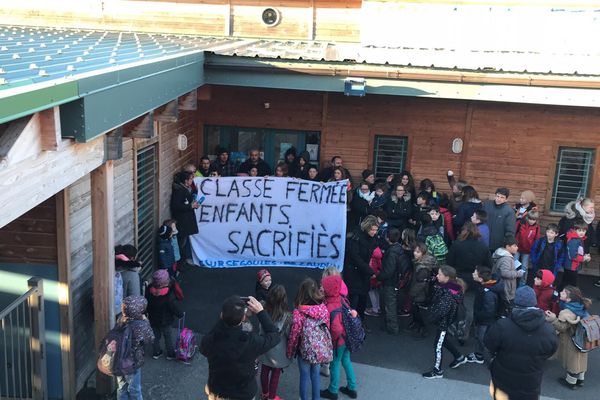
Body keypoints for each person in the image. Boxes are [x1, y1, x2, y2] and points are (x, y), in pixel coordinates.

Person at [484, 286, 558, 400]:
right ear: (534, 303)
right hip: (531, 382)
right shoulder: (548, 330)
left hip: (503, 379)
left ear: (516, 302)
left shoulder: (502, 325)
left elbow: (489, 344)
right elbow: (551, 350)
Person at [201, 295, 280, 400]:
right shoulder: (251, 342)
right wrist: (261, 312)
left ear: (221, 315)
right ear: (243, 318)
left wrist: (227, 315)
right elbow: (274, 336)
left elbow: (204, 348)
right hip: (244, 394)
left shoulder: (211, 340)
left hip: (218, 391)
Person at [286, 278, 332, 400]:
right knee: (315, 374)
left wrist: (290, 351)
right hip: (318, 349)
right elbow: (327, 326)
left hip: (304, 350)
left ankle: (304, 398)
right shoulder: (322, 308)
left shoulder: (298, 311)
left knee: (304, 376)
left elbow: (295, 333)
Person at [422, 265, 468, 379]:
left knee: (437, 345)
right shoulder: (454, 287)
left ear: (447, 277)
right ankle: (459, 357)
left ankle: (437, 371)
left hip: (443, 323)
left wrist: (428, 317)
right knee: (443, 341)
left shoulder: (447, 293)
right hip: (448, 322)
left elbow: (441, 310)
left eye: (439, 274)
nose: (437, 276)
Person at [544, 286, 592, 390]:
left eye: (564, 293)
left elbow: (562, 328)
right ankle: (580, 380)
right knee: (581, 358)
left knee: (572, 361)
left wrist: (553, 319)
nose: (561, 293)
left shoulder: (566, 312)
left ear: (569, 299)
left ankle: (571, 382)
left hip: (572, 340)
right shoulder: (581, 307)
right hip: (582, 339)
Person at [320, 274, 359, 400]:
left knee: (335, 363)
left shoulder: (330, 306)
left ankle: (333, 390)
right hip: (348, 337)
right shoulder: (342, 299)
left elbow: (336, 328)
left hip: (338, 341)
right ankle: (352, 388)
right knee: (346, 360)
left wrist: (331, 340)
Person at [116, 295, 155, 400]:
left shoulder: (121, 319)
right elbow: (150, 338)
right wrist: (146, 321)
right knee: (135, 389)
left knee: (121, 386)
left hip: (119, 360)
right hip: (132, 362)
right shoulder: (140, 325)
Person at [258, 285, 293, 400]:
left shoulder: (263, 312)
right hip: (279, 350)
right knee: (275, 375)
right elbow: (289, 334)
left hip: (265, 346)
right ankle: (272, 397)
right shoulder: (287, 317)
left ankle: (265, 393)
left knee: (264, 370)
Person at [343, 216, 378, 321]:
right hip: (354, 272)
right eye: (372, 230)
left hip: (363, 272)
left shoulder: (369, 238)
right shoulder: (355, 238)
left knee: (362, 299)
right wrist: (370, 271)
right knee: (354, 300)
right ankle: (352, 323)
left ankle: (359, 321)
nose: (374, 232)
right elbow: (356, 258)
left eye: (376, 230)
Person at [468, 265, 503, 366]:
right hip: (484, 319)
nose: (472, 274)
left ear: (480, 278)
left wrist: (478, 316)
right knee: (480, 337)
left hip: (485, 320)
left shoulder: (488, 293)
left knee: (482, 338)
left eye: (475, 273)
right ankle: (479, 354)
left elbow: (488, 311)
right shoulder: (485, 286)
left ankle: (492, 358)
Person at [146, 269, 183, 361]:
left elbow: (146, 303)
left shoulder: (149, 290)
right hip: (166, 320)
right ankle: (170, 354)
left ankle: (156, 352)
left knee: (155, 337)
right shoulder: (169, 294)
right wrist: (180, 314)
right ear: (166, 281)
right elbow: (173, 307)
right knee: (168, 337)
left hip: (152, 319)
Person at [377, 228, 408, 335]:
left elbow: (388, 271)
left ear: (387, 238)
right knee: (392, 304)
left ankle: (392, 328)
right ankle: (391, 326)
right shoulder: (399, 249)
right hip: (397, 280)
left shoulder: (391, 252)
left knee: (390, 305)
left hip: (390, 282)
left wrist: (379, 276)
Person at [446, 221, 492, 290]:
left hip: (458, 279)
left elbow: (449, 262)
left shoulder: (456, 245)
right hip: (476, 279)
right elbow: (489, 265)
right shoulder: (483, 247)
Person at [406, 241, 437, 338]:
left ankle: (422, 329)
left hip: (421, 293)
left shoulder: (423, 267)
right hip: (421, 291)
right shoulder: (420, 263)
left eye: (418, 252)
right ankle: (417, 324)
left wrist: (412, 293)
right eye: (415, 251)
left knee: (418, 310)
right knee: (416, 309)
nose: (415, 253)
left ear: (423, 253)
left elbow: (421, 283)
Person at [170, 170, 200, 265]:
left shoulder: (186, 189)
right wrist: (190, 206)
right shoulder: (179, 191)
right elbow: (175, 206)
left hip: (186, 220)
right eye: (191, 179)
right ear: (186, 181)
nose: (192, 180)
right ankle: (180, 263)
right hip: (182, 221)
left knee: (183, 240)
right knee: (181, 242)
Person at [491, 236, 523, 305]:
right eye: (515, 246)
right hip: (506, 287)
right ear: (508, 246)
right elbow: (505, 273)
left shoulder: (501, 253)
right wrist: (518, 273)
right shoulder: (506, 258)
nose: (517, 247)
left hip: (500, 285)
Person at [483, 187, 516, 253]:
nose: (499, 199)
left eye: (502, 197)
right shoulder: (487, 205)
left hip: (498, 245)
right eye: (497, 196)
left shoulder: (509, 211)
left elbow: (510, 230)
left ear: (506, 199)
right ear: (495, 196)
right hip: (483, 241)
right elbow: (479, 219)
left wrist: (508, 243)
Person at [561, 220, 591, 289]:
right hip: (571, 266)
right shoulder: (574, 240)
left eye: (583, 231)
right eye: (579, 230)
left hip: (571, 265)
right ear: (575, 230)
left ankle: (558, 294)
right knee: (572, 284)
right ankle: (565, 295)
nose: (582, 233)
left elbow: (579, 251)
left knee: (565, 281)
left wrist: (585, 256)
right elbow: (573, 256)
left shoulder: (578, 239)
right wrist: (584, 258)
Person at [515, 211, 541, 286]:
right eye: (530, 219)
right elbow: (514, 233)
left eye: (533, 219)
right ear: (527, 218)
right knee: (514, 266)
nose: (531, 221)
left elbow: (536, 240)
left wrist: (533, 252)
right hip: (517, 248)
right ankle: (512, 282)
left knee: (524, 267)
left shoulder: (536, 228)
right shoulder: (520, 224)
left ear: (536, 220)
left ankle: (522, 284)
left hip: (527, 251)